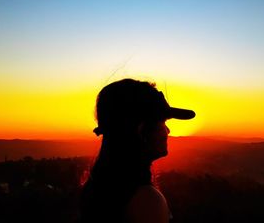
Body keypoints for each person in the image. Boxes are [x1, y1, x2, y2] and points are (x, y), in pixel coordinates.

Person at [79, 78, 195, 223]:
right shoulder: (147, 201)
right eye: (163, 122)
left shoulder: (99, 187)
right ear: (141, 130)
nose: (168, 130)